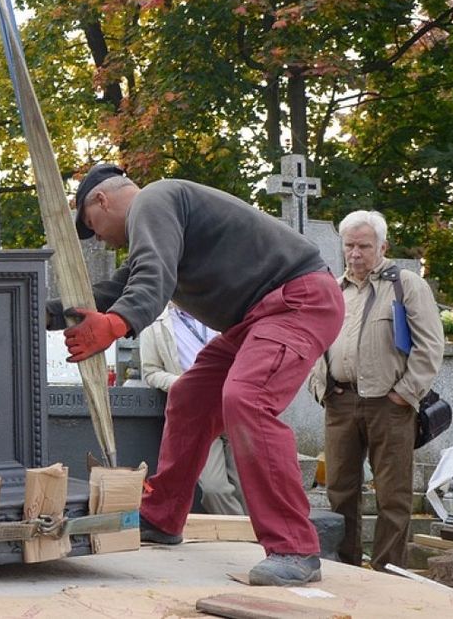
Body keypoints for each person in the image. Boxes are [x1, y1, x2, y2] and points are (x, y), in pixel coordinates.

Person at [47, 164, 343, 587]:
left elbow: (151, 279)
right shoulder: (163, 227)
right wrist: (43, 312)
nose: (98, 238)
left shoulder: (154, 199)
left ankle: (295, 549)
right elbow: (115, 290)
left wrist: (114, 325)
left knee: (247, 399)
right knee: (190, 396)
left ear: (102, 199)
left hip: (298, 300)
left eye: (91, 225)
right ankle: (162, 517)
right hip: (256, 318)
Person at [307, 210, 443, 571]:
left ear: (382, 246)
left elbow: (430, 346)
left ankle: (388, 573)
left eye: (364, 246)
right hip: (340, 402)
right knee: (340, 491)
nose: (355, 253)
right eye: (349, 245)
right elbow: (313, 341)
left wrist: (404, 394)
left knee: (393, 495)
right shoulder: (334, 289)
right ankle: (345, 569)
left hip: (390, 403)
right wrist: (320, 387)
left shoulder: (406, 285)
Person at [139, 303, 246, 516]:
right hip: (197, 410)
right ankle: (242, 531)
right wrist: (183, 384)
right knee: (214, 488)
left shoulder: (223, 307)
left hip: (236, 404)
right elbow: (150, 372)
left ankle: (255, 533)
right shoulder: (155, 324)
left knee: (248, 485)